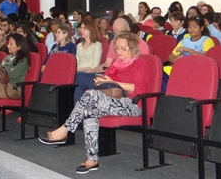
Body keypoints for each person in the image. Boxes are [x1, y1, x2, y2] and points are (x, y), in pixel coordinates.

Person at [38, 31, 149, 174]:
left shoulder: (140, 63)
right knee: (90, 111)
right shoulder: (116, 62)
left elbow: (139, 88)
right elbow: (107, 80)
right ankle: (92, 159)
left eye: (123, 48)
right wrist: (101, 80)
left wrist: (113, 82)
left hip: (132, 103)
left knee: (90, 95)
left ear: (132, 48)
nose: (119, 51)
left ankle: (64, 130)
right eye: (116, 48)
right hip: (111, 99)